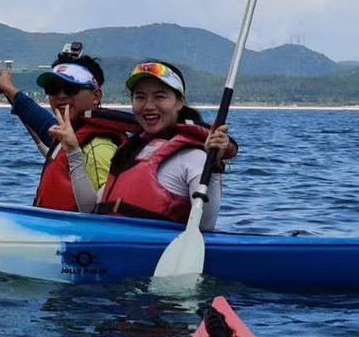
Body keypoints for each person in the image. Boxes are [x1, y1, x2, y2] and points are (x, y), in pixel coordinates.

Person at [52, 60, 235, 231]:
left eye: (159, 97)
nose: (148, 106)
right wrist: (73, 151)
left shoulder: (194, 156)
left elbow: (204, 227)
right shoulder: (130, 152)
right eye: (140, 97)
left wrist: (214, 166)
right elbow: (90, 210)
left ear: (180, 102)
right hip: (115, 254)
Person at [0, 42, 138, 210]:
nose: (61, 96)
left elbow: (106, 215)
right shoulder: (67, 134)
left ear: (96, 96)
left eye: (71, 89)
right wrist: (9, 89)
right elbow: (41, 120)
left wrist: (74, 153)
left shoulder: (99, 148)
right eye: (53, 89)